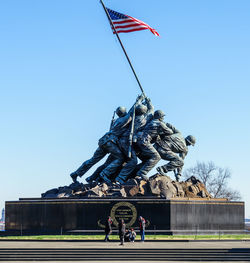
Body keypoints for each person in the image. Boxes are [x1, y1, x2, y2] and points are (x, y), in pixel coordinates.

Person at [70, 95, 144, 184]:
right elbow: (132, 111)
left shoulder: (116, 120)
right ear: (124, 112)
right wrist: (138, 100)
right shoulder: (124, 119)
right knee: (120, 158)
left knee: (93, 160)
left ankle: (76, 173)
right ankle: (104, 174)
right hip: (110, 142)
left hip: (104, 140)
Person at [115, 97, 154, 184]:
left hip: (124, 141)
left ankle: (127, 175)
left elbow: (131, 111)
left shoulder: (131, 117)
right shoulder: (146, 118)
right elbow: (151, 109)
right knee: (133, 161)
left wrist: (139, 101)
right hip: (127, 142)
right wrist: (149, 102)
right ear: (144, 111)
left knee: (131, 160)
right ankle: (120, 178)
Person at [135, 110, 174, 180]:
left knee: (147, 159)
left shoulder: (150, 122)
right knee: (156, 157)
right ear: (159, 117)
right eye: (162, 117)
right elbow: (170, 132)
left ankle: (135, 172)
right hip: (145, 141)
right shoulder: (159, 123)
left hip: (139, 141)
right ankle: (142, 172)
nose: (163, 118)